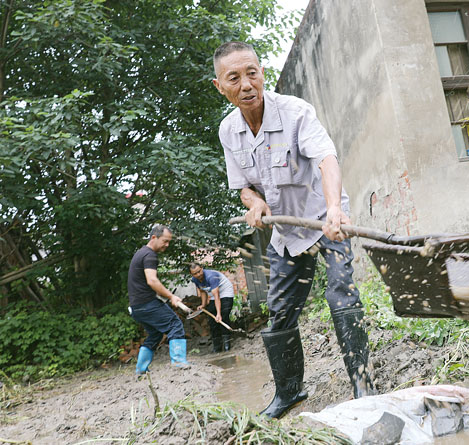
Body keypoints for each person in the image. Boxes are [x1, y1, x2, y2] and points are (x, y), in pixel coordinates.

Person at [212, 41, 375, 418]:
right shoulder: (228, 131)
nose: (247, 84)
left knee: (341, 295)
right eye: (234, 77)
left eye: (252, 72)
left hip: (325, 221)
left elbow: (326, 158)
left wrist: (334, 208)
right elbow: (243, 187)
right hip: (286, 231)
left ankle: (363, 386)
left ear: (262, 73)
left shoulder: (296, 112)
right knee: (280, 310)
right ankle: (290, 392)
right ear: (220, 85)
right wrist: (254, 203)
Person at [128, 224, 190, 374]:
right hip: (146, 303)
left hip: (136, 307)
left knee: (155, 334)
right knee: (174, 324)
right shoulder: (150, 255)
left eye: (169, 242)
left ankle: (141, 370)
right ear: (154, 237)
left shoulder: (140, 253)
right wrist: (171, 296)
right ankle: (178, 362)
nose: (167, 245)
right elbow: (152, 281)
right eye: (165, 241)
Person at [189, 262, 235, 352]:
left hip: (225, 291)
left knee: (223, 315)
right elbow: (202, 291)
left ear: (202, 268)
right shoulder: (195, 280)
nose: (198, 275)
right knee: (211, 319)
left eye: (199, 271)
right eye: (195, 273)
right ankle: (217, 346)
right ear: (191, 274)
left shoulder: (211, 276)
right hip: (214, 294)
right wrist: (203, 304)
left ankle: (227, 345)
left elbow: (217, 296)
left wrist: (218, 314)